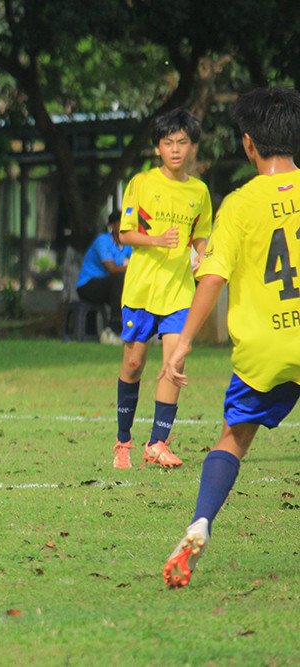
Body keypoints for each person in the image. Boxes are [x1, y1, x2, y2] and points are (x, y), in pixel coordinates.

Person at [160, 86, 300, 588]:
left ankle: (201, 521)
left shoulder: (239, 205)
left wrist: (182, 342)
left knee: (234, 437)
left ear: (248, 143)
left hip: (265, 347)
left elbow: (213, 277)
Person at [111, 109, 213, 469]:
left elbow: (201, 235)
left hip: (179, 292)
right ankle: (123, 441)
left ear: (193, 147)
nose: (175, 149)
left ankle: (157, 443)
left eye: (182, 142)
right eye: (168, 143)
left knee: (175, 362)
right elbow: (125, 234)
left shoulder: (199, 191)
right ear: (157, 148)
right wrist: (156, 239)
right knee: (133, 364)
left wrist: (203, 256)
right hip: (142, 290)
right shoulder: (141, 183)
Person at [76, 210, 132, 344]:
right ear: (112, 226)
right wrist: (133, 267)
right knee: (119, 278)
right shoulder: (103, 241)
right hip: (88, 285)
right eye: (121, 223)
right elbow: (112, 269)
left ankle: (141, 329)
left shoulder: (127, 245)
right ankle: (114, 327)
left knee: (132, 284)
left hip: (109, 287)